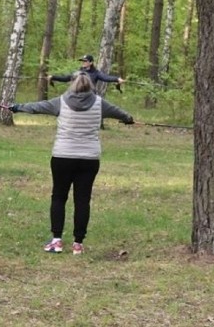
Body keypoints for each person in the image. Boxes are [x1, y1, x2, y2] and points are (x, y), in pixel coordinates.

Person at [10, 72, 135, 255]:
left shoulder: (60, 102)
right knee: (82, 200)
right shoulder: (100, 104)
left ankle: (57, 241)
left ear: (73, 85)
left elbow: (36, 107)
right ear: (90, 86)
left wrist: (16, 107)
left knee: (59, 197)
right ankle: (78, 243)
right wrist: (128, 120)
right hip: (89, 159)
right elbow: (123, 114)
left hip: (63, 157)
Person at [48, 54, 125, 90]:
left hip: (91, 97)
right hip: (79, 96)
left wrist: (117, 79)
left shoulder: (96, 73)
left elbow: (106, 77)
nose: (83, 62)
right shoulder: (79, 72)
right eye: (82, 61)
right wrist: (53, 77)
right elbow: (66, 78)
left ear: (91, 62)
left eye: (85, 61)